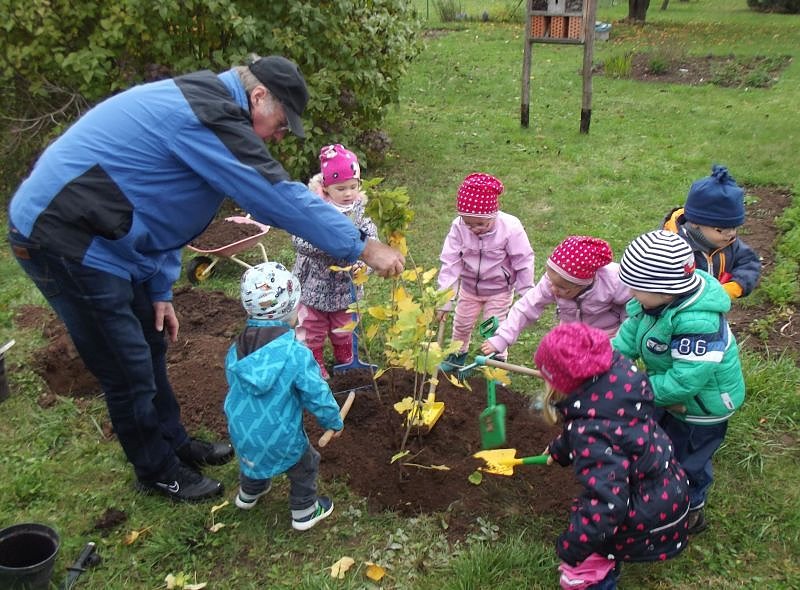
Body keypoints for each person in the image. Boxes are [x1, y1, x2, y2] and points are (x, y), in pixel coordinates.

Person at [7, 54, 403, 502]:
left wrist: (159, 288)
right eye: (279, 121)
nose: (278, 134)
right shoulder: (206, 115)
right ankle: (156, 469)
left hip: (107, 233)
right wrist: (362, 245)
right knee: (126, 365)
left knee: (149, 344)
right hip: (63, 238)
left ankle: (174, 445)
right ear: (257, 96)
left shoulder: (210, 106)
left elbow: (159, 203)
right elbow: (274, 195)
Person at [535, 323, 690, 590]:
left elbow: (607, 504)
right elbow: (605, 432)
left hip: (641, 511)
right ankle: (609, 562)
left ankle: (597, 579)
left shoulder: (591, 433)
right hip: (665, 484)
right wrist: (561, 449)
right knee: (605, 542)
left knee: (583, 570)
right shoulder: (617, 386)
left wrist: (573, 547)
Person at [612, 230, 746, 536]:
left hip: (701, 407)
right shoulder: (652, 304)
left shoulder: (697, 323)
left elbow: (685, 382)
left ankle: (691, 508)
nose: (631, 294)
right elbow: (628, 338)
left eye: (637, 288)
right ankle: (654, 482)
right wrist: (603, 364)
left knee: (689, 460)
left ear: (665, 290)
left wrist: (635, 388)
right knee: (659, 444)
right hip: (670, 396)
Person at [224, 262, 342, 531]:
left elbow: (233, 382)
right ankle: (304, 511)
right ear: (290, 312)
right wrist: (332, 420)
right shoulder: (294, 354)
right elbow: (316, 393)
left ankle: (249, 493)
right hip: (281, 436)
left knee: (252, 456)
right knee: (305, 464)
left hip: (241, 430)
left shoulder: (237, 348)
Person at [292, 144, 378, 379]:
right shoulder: (314, 210)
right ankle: (314, 361)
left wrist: (364, 264)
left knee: (345, 325)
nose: (348, 193)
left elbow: (371, 242)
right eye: (341, 188)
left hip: (345, 288)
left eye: (353, 187)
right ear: (326, 187)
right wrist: (333, 244)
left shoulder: (359, 212)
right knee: (312, 326)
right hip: (315, 285)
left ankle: (345, 357)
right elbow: (300, 239)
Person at [437, 172, 535, 369]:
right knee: (462, 324)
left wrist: (527, 293)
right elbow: (450, 262)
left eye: (481, 224)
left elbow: (523, 260)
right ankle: (457, 355)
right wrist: (444, 300)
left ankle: (496, 364)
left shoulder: (510, 228)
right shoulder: (458, 228)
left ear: (493, 215)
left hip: (499, 290)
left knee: (494, 327)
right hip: (469, 288)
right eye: (468, 223)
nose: (474, 229)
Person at [481, 235, 630, 359]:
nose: (553, 289)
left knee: (598, 374)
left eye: (561, 288)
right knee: (562, 367)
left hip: (605, 335)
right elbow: (527, 306)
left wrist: (622, 337)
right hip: (570, 332)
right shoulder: (553, 281)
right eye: (551, 282)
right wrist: (503, 337)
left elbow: (632, 305)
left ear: (583, 284)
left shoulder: (613, 282)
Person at [662, 164, 761, 299]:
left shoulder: (730, 244)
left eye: (735, 227)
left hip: (713, 307)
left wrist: (736, 286)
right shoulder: (670, 246)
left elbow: (749, 263)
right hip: (677, 311)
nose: (731, 234)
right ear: (696, 222)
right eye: (722, 229)